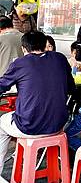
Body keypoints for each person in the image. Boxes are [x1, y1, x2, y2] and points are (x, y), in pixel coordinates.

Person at [0, 31, 74, 174]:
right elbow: (70, 86)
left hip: (29, 127)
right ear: (45, 45)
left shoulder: (20, 63)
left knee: (1, 125)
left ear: (23, 49)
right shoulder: (59, 58)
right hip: (59, 124)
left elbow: (2, 85)